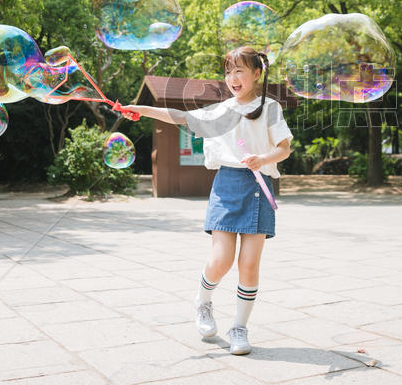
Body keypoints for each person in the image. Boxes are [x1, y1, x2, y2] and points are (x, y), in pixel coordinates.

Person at [120, 46, 292, 355]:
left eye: (239, 70)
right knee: (221, 260)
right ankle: (203, 300)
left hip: (258, 186)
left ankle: (239, 329)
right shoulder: (221, 111)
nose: (232, 77)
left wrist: (263, 157)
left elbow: (284, 148)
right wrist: (142, 110)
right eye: (228, 71)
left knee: (249, 264)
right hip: (227, 185)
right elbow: (181, 116)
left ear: (256, 73)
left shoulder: (270, 108)